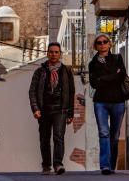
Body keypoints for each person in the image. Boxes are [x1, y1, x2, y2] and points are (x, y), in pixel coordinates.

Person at [29, 42, 75, 175]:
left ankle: (58, 164)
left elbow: (71, 92)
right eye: (51, 52)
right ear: (47, 53)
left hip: (61, 109)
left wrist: (70, 112)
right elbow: (32, 91)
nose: (54, 54)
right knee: (44, 138)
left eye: (56, 52)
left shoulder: (66, 71)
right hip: (44, 110)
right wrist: (35, 108)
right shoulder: (40, 71)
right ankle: (46, 165)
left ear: (60, 54)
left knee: (58, 136)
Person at [88, 34, 128, 175]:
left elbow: (121, 75)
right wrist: (113, 76)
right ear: (96, 46)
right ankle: (105, 165)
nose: (102, 44)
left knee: (114, 136)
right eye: (99, 43)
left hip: (118, 102)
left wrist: (103, 78)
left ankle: (111, 165)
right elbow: (94, 83)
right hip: (101, 103)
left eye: (105, 42)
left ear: (110, 44)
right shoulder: (93, 63)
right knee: (104, 133)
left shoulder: (117, 58)